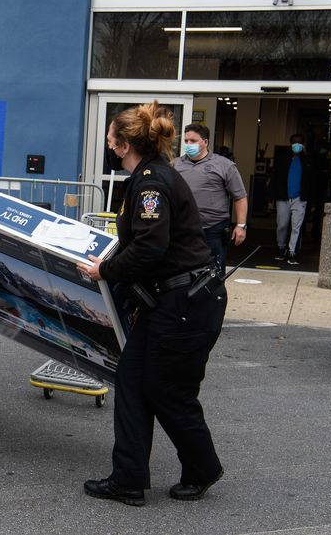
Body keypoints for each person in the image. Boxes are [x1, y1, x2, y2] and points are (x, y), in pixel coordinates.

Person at [77, 101, 226, 507]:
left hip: (185, 303)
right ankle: (128, 479)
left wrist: (104, 271)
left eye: (110, 137)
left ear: (124, 144)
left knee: (167, 390)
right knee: (131, 380)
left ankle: (202, 467)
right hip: (174, 300)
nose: (107, 143)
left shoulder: (150, 183)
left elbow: (150, 249)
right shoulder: (149, 176)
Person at [175, 123, 248, 273]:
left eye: (193, 141)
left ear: (205, 142)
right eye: (186, 141)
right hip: (182, 230)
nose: (189, 144)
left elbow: (240, 196)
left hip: (212, 230)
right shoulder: (175, 165)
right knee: (182, 274)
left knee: (213, 275)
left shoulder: (224, 165)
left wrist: (241, 226)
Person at [271, 133, 315, 266]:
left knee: (296, 227)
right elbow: (275, 178)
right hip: (283, 198)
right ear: (290, 144)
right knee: (282, 225)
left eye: (300, 142)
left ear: (303, 144)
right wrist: (270, 197)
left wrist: (312, 201)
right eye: (295, 142)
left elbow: (313, 183)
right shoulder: (282, 159)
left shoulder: (307, 161)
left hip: (300, 198)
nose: (297, 145)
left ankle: (292, 253)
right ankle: (281, 247)